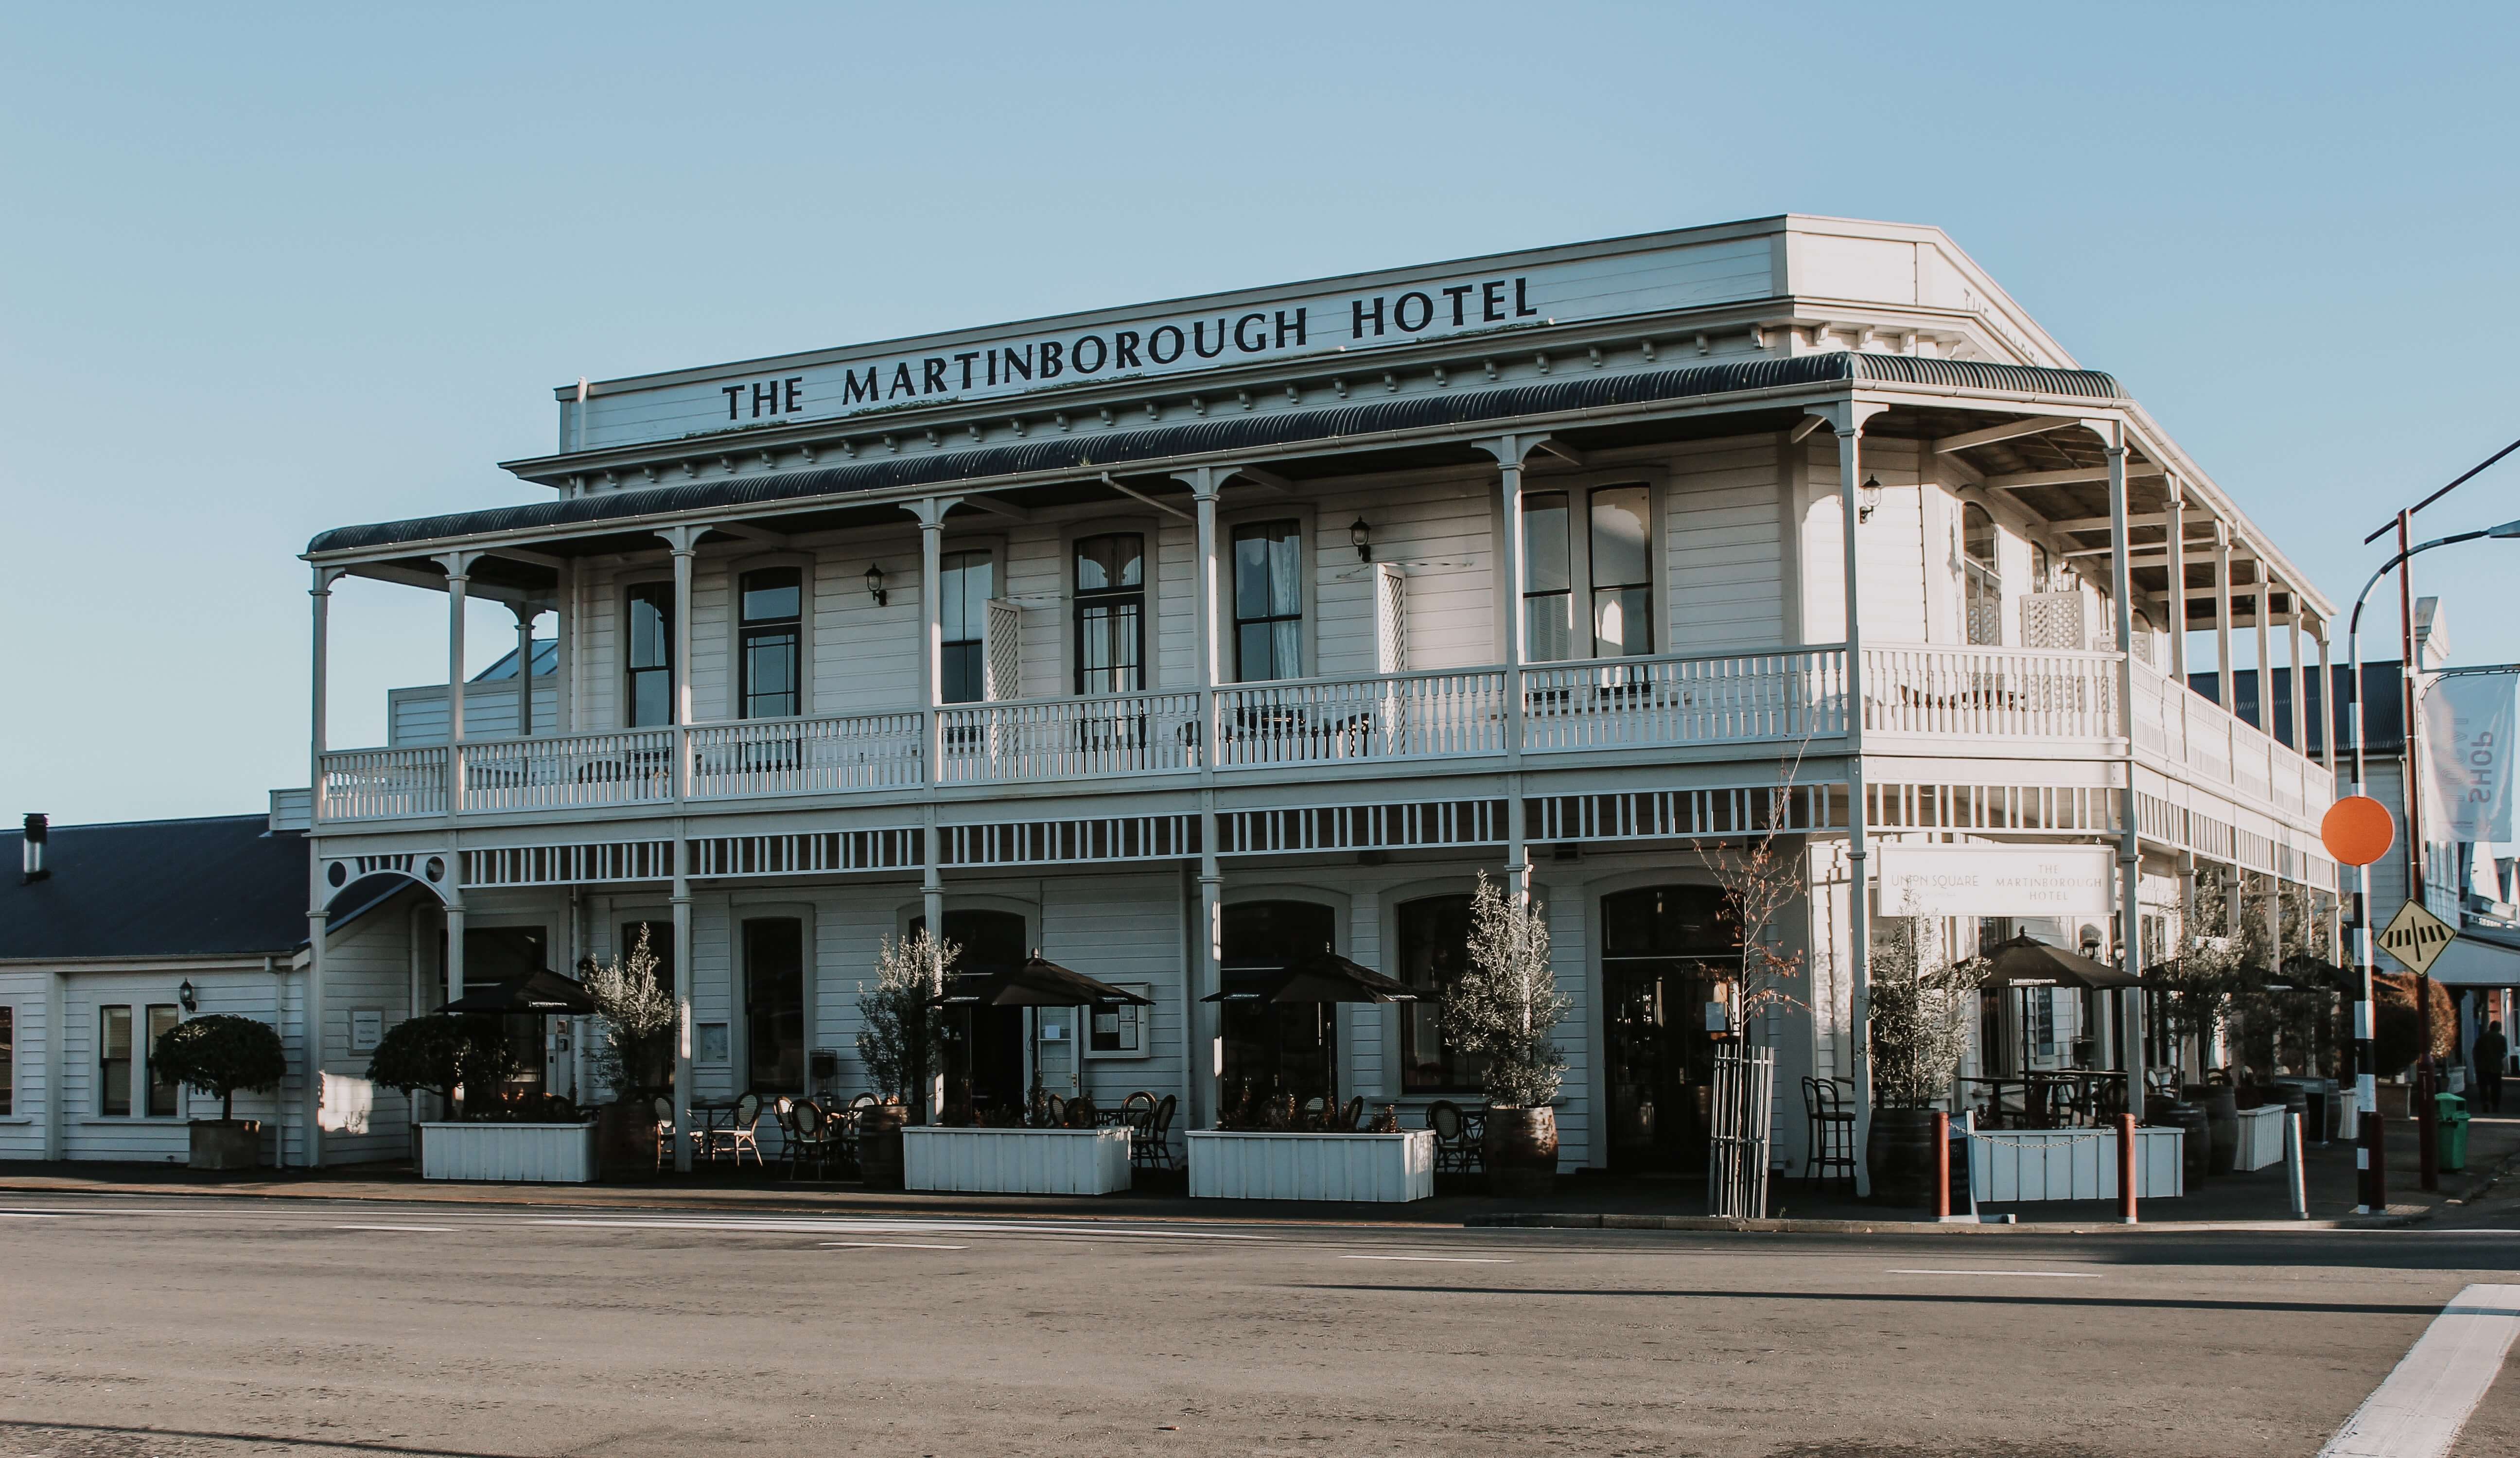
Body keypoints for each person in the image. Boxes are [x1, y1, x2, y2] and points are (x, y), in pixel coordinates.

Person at [2476, 1019, 2508, 1115]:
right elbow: (2504, 1052)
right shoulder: (2502, 1038)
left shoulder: (2482, 1038)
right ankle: (2495, 1105)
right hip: (2496, 1067)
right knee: (2496, 1087)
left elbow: (2476, 1051)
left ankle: (2485, 1102)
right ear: (2498, 1028)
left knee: (2483, 1087)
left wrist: (2477, 1063)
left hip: (2482, 1067)